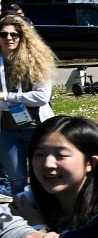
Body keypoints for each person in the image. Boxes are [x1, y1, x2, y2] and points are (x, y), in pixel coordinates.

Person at [0, 14, 55, 195]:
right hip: (7, 130)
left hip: (36, 128)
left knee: (41, 176)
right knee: (16, 179)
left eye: (14, 35)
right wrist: (17, 99)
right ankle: (23, 219)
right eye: (3, 34)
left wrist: (7, 97)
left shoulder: (37, 60)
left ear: (22, 37)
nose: (9, 38)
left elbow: (41, 97)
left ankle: (45, 216)